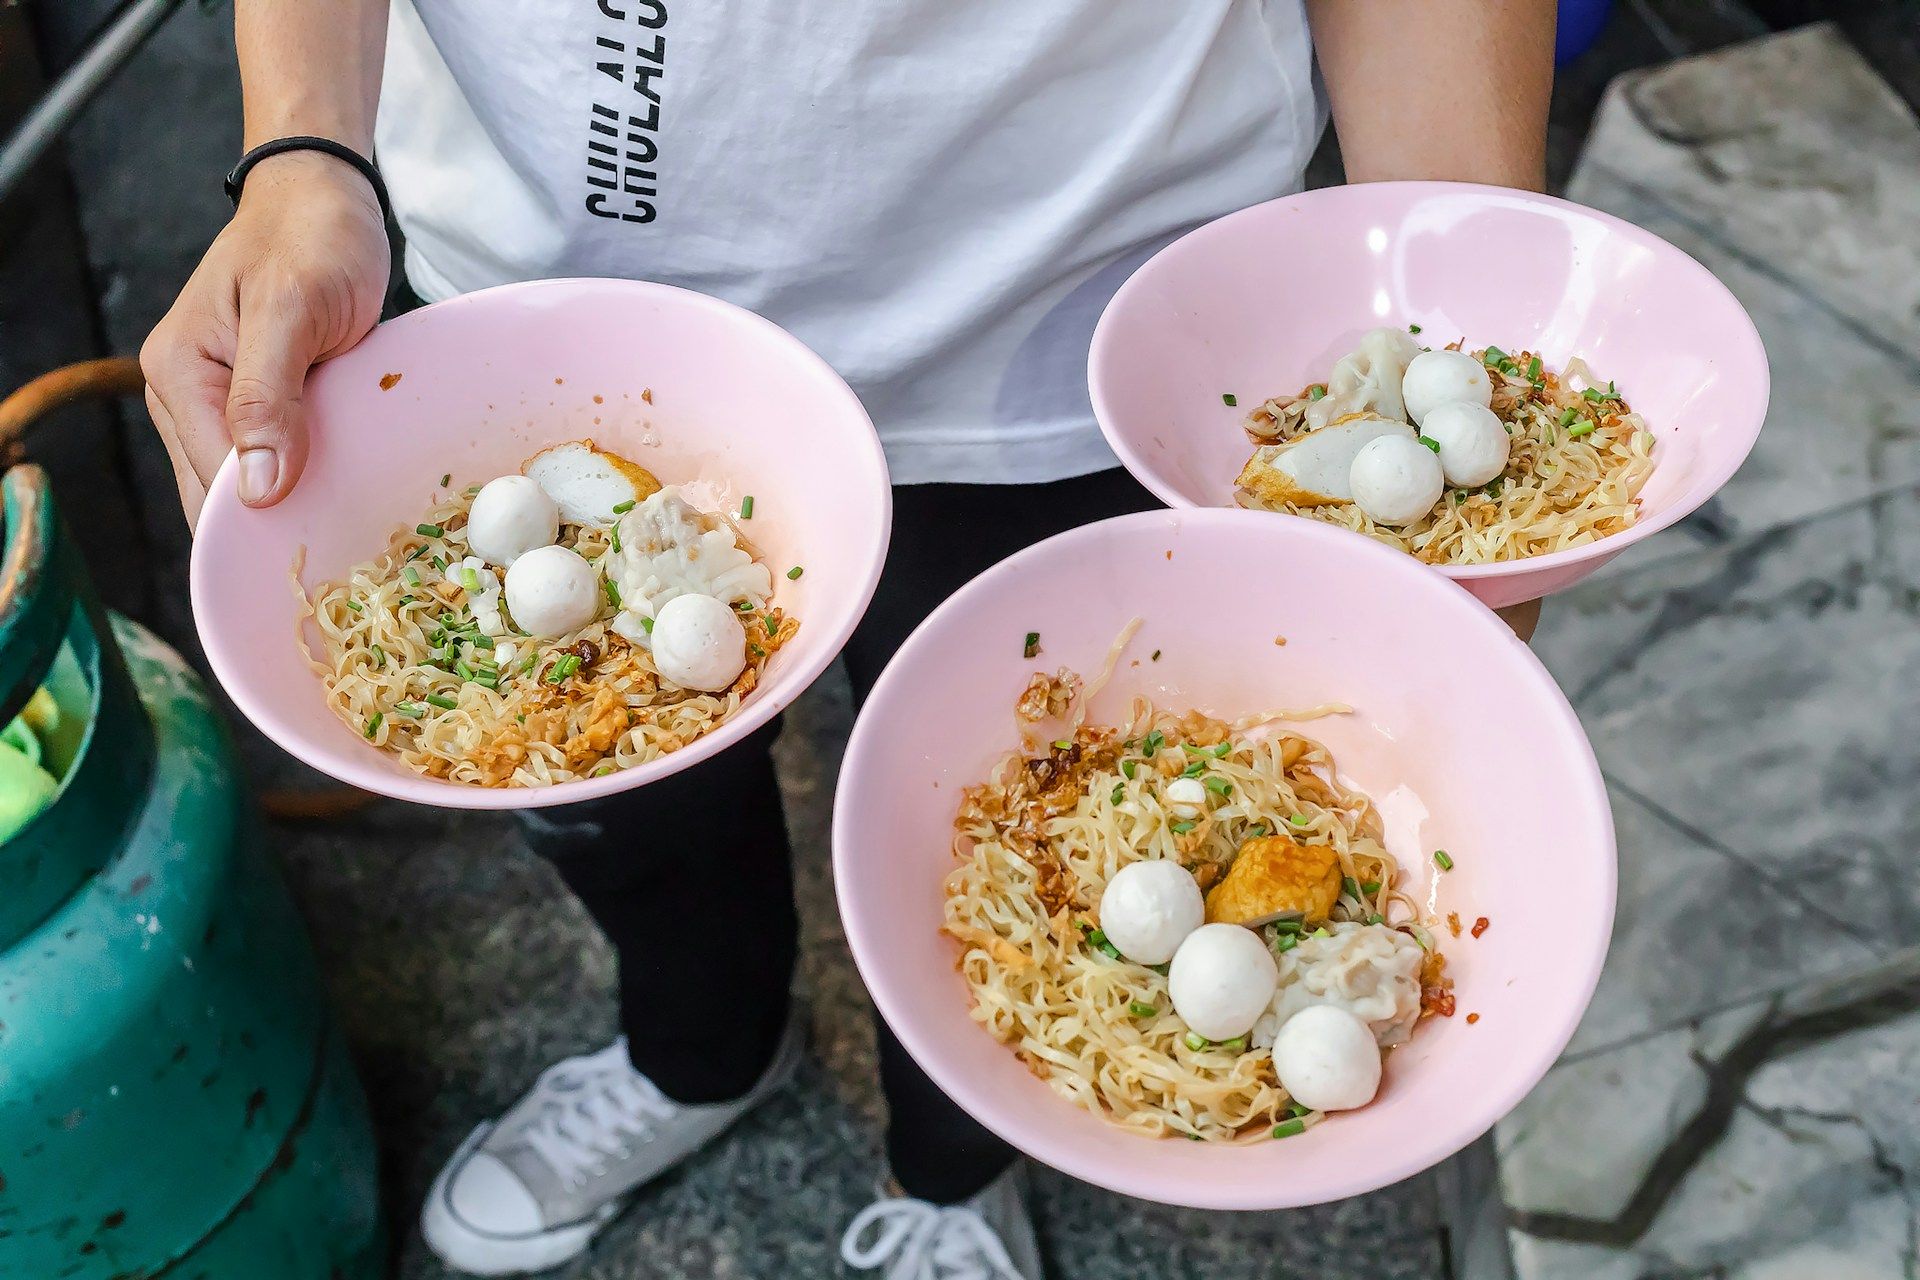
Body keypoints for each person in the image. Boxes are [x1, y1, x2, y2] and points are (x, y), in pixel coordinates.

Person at [142, 2, 1552, 1275]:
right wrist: (303, 146)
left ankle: (956, 1171)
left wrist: (1462, 354)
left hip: (1082, 314)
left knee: (1034, 859)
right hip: (544, 288)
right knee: (605, 783)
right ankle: (696, 1053)